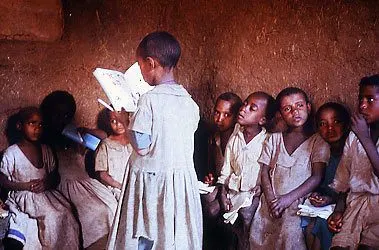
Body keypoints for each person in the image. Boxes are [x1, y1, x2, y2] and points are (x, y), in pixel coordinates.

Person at [109, 31, 202, 250]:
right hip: (180, 182)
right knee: (171, 234)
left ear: (150, 63)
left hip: (151, 182)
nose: (141, 71)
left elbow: (142, 147)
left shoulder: (149, 100)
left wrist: (125, 120)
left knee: (147, 233)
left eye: (140, 65)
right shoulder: (190, 102)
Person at [249, 87, 330, 250]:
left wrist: (287, 199)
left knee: (290, 232)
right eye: (288, 109)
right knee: (259, 234)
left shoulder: (317, 141)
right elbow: (264, 171)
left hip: (296, 203)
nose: (295, 112)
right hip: (270, 203)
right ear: (280, 114)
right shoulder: (274, 140)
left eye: (299, 105)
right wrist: (272, 200)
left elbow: (317, 177)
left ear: (308, 107)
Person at [40, 91, 117, 249]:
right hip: (65, 188)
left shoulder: (76, 137)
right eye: (57, 114)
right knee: (93, 213)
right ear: (48, 115)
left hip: (88, 185)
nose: (62, 120)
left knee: (112, 207)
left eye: (67, 115)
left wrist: (86, 131)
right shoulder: (45, 141)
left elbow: (104, 136)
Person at [0, 107, 80, 249]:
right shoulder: (12, 153)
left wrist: (46, 184)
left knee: (66, 211)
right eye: (32, 123)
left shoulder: (45, 150)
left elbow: (55, 176)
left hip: (46, 194)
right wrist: (24, 186)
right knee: (51, 217)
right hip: (24, 196)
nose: (37, 128)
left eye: (40, 125)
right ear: (19, 126)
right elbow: (3, 181)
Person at [217, 91, 276, 249]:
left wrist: (261, 187)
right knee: (213, 208)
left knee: (247, 214)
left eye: (252, 108)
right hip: (232, 190)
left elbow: (269, 170)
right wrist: (222, 190)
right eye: (245, 104)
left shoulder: (268, 140)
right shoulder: (236, 133)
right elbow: (227, 166)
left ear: (262, 120)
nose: (243, 109)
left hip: (252, 193)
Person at [327, 74, 379, 249]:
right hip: (354, 207)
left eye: (370, 99)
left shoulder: (360, 135)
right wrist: (339, 211)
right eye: (361, 99)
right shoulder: (354, 136)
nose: (363, 105)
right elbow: (343, 183)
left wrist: (365, 137)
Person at [303, 102, 350, 250]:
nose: (330, 128)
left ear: (347, 124)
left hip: (348, 206)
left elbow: (352, 189)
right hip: (328, 206)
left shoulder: (352, 152)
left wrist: (331, 199)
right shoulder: (323, 153)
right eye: (323, 124)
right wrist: (318, 195)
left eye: (336, 122)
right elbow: (324, 185)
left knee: (322, 224)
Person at [201, 92, 242, 250]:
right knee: (204, 204)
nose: (219, 119)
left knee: (212, 210)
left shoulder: (239, 139)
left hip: (235, 188)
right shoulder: (214, 138)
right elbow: (213, 168)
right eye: (217, 113)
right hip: (220, 185)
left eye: (226, 115)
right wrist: (210, 178)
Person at [95, 109, 133, 201]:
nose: (118, 125)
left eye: (121, 120)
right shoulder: (106, 145)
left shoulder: (134, 143)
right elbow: (102, 174)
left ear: (128, 118)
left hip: (133, 188)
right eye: (113, 121)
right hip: (115, 190)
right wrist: (120, 186)